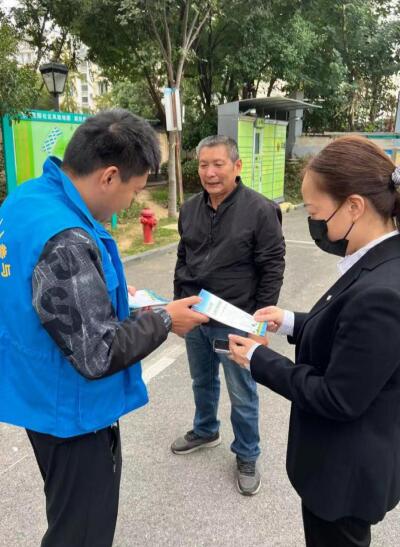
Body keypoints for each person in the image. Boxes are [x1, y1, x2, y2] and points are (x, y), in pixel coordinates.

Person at [0, 109, 208, 547]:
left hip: (37, 392)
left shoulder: (27, 200)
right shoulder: (67, 240)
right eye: (134, 190)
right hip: (73, 415)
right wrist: (166, 318)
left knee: (67, 515)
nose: (131, 203)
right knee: (82, 532)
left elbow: (37, 289)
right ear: (109, 176)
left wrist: (100, 291)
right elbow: (97, 353)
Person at [228, 135, 400, 546]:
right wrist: (289, 321)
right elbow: (352, 335)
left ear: (354, 206)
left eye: (316, 212)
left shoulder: (382, 291)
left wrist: (258, 360)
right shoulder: (379, 261)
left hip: (344, 474)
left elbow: (339, 398)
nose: (315, 223)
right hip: (350, 462)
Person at [172, 135, 285, 495]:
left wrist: (259, 325)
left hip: (236, 320)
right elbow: (183, 258)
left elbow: (272, 268)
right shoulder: (190, 208)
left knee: (242, 391)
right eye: (203, 165)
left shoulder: (261, 210)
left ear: (237, 166)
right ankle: (206, 430)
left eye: (218, 164)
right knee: (201, 380)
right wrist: (177, 306)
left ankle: (247, 454)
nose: (210, 172)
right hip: (196, 315)